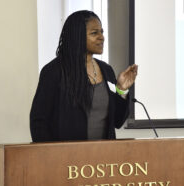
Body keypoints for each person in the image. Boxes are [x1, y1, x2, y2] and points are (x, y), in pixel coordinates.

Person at [30, 10, 138, 142]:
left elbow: (117, 121)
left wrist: (121, 90)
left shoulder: (107, 70)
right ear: (77, 36)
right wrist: (51, 157)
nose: (101, 37)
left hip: (103, 158)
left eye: (102, 32)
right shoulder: (54, 71)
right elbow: (38, 122)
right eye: (94, 33)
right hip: (67, 158)